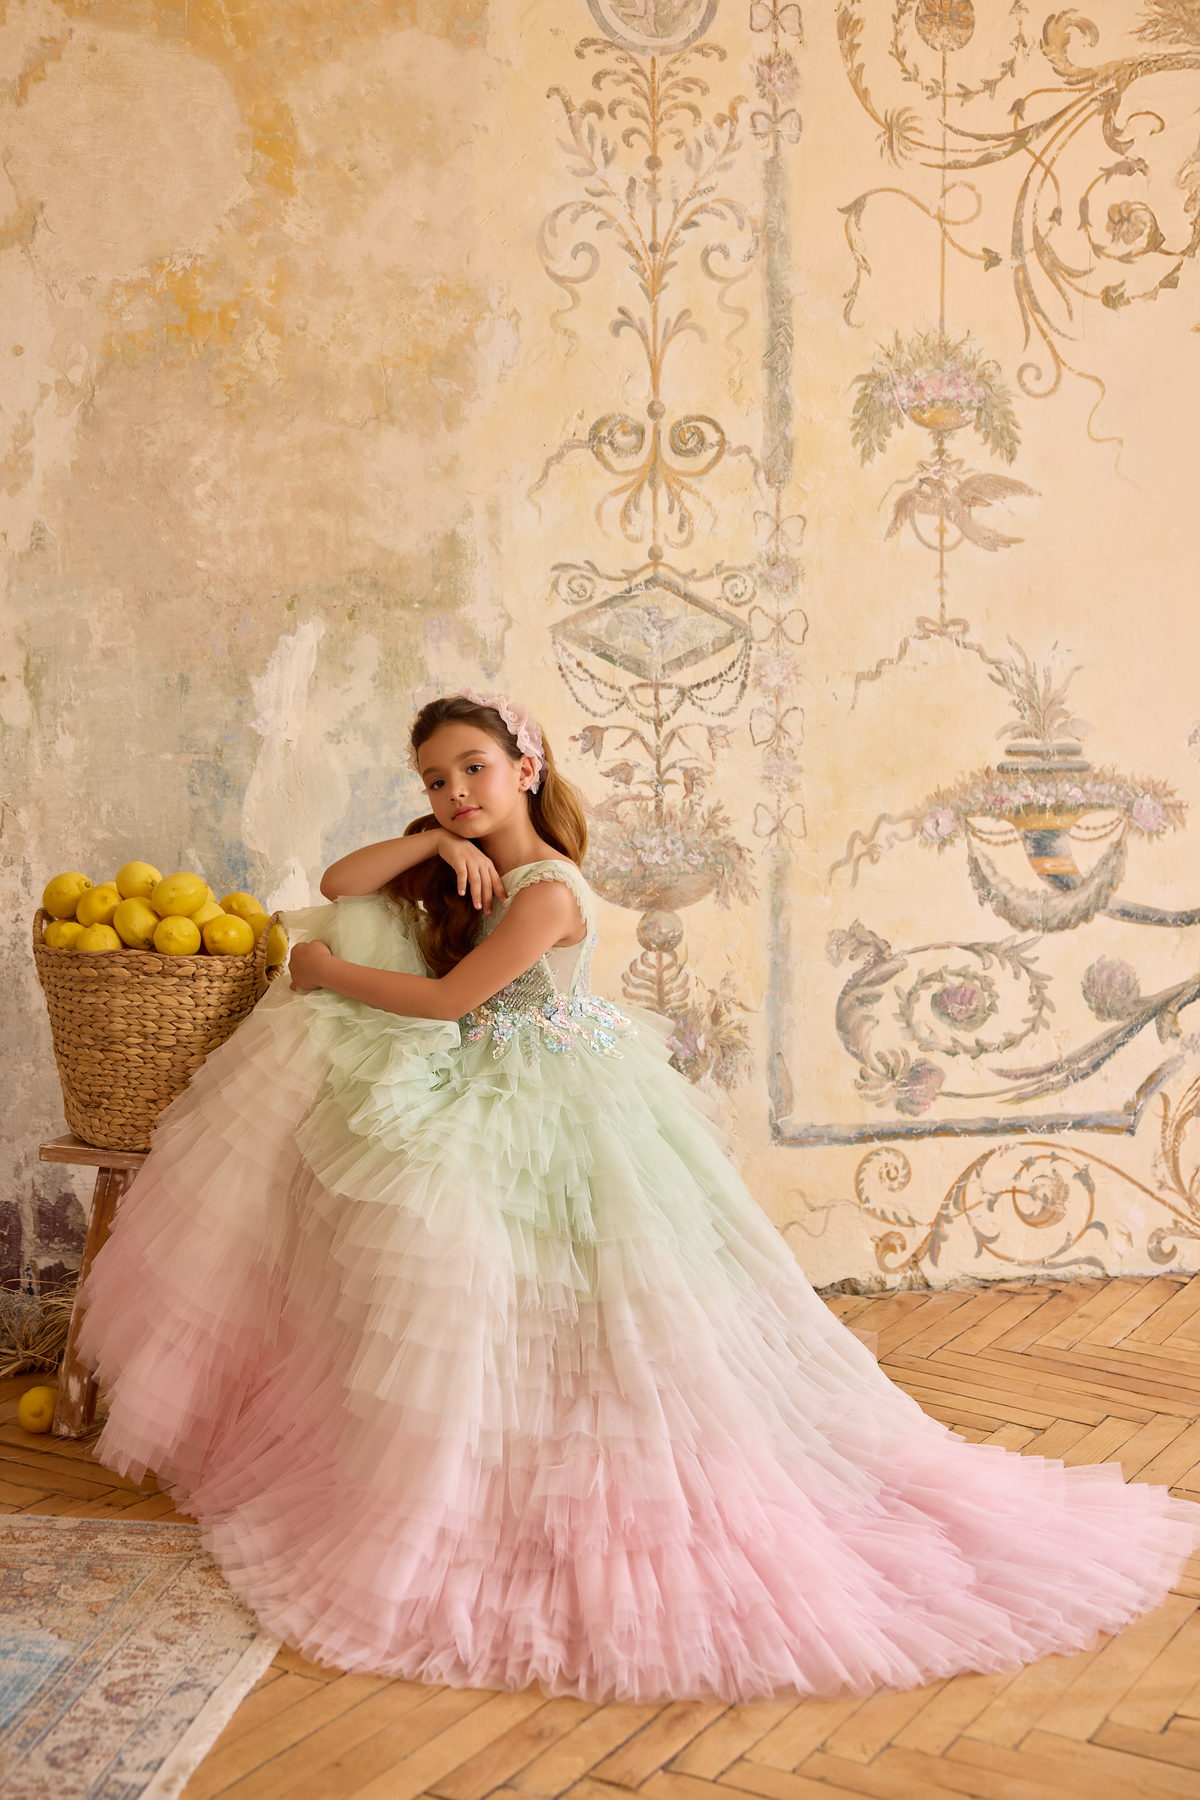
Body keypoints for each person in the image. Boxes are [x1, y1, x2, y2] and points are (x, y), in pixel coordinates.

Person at [78, 690, 1200, 1701]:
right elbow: (337, 884)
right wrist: (431, 842)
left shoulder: (549, 890)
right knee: (423, 1241)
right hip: (487, 1077)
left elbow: (453, 1003)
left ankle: (568, 1490)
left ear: (527, 767)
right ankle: (467, 1471)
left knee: (551, 1282)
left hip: (549, 1096)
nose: (456, 790)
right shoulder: (458, 860)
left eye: (474, 769)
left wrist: (325, 972)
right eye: (434, 778)